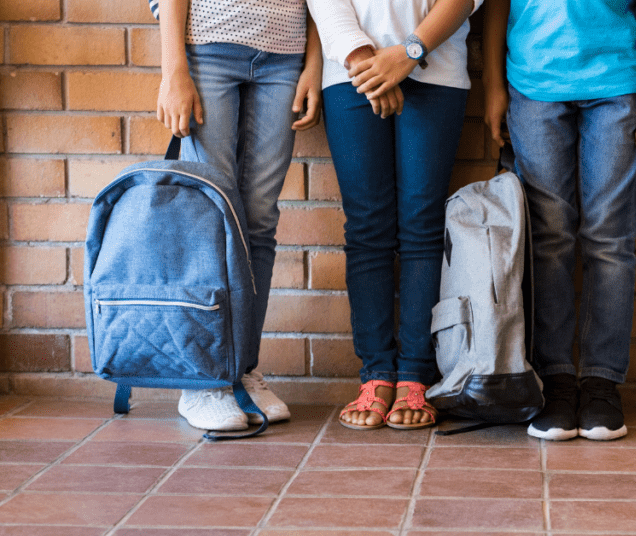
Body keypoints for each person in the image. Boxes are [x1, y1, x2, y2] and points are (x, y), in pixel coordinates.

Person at [483, 0, 636, 441]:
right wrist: (493, 84)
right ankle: (555, 378)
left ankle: (601, 381)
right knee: (548, 238)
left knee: (610, 238)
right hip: (533, 83)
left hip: (617, 81)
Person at [307, 0, 481, 430]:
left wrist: (407, 53)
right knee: (368, 227)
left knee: (423, 226)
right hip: (350, 73)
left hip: (435, 68)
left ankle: (415, 374)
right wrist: (365, 61)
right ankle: (377, 373)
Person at [156, 0, 323, 431]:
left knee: (260, 220)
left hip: (286, 56)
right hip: (207, 46)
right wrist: (173, 68)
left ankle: (244, 368)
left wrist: (315, 62)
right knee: (211, 220)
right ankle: (204, 380)